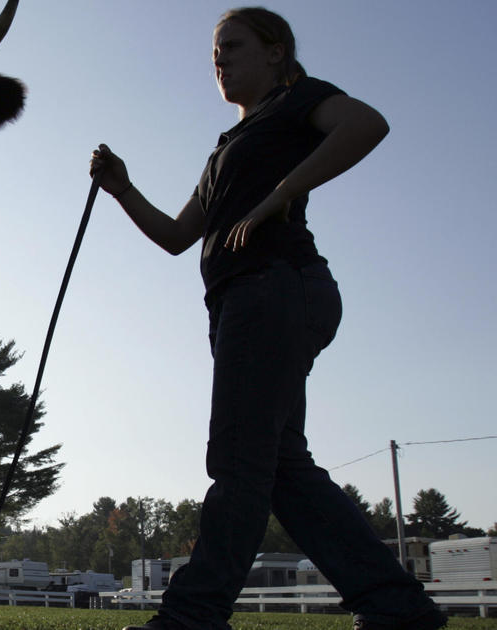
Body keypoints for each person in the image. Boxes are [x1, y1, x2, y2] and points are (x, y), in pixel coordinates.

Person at [88, 8, 445, 630]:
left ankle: (194, 613)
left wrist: (280, 194)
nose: (218, 59)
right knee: (279, 467)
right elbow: (176, 236)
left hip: (276, 288)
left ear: (277, 52)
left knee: (238, 459)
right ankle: (395, 605)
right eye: (214, 52)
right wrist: (121, 188)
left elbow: (366, 124)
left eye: (232, 46)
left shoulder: (296, 101)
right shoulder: (226, 148)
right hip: (244, 303)